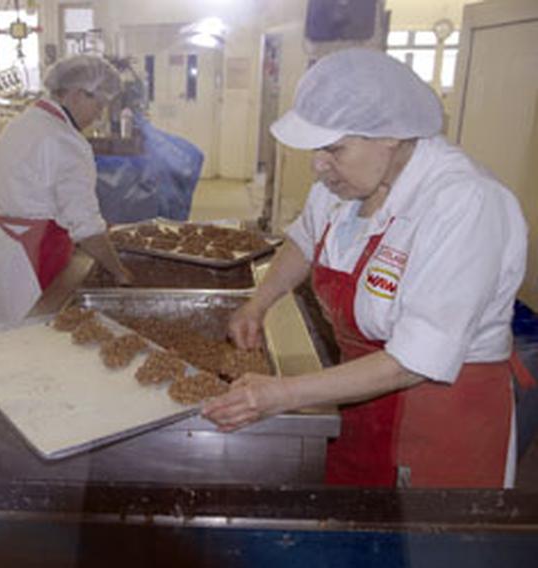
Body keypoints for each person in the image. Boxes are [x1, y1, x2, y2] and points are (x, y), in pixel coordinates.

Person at [202, 48, 529, 489]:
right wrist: (258, 304)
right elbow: (304, 240)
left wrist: (281, 394)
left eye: (334, 148)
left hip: (439, 414)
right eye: (317, 149)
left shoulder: (465, 203)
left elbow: (416, 360)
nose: (319, 164)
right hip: (357, 394)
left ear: (390, 136)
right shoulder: (344, 183)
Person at [0, 54, 133, 325]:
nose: (100, 115)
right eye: (100, 104)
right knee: (32, 341)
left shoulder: (23, 123)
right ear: (77, 94)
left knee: (1, 341)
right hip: (31, 258)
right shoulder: (66, 141)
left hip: (1, 249)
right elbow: (85, 226)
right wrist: (119, 272)